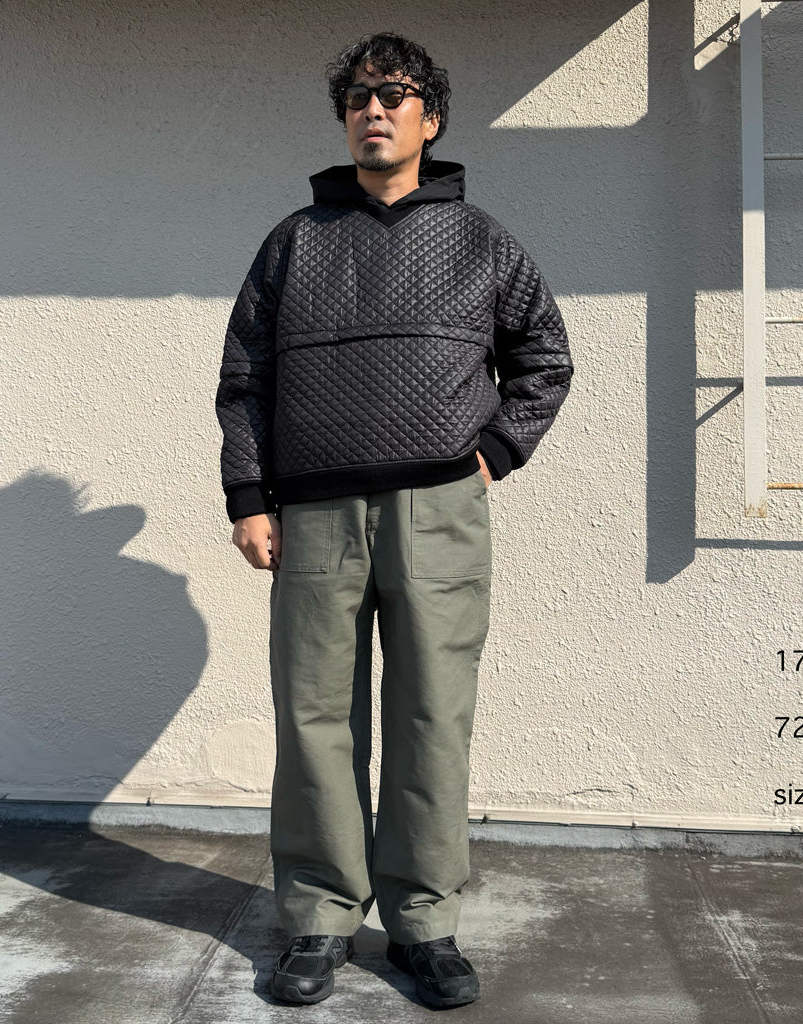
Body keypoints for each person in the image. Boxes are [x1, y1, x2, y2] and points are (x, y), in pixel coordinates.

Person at [215, 31, 573, 1009]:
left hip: (438, 511)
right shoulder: (293, 241)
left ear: (431, 118)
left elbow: (544, 357)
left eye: (395, 94)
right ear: (344, 119)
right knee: (314, 718)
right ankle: (319, 918)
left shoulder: (481, 240)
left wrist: (493, 453)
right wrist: (248, 496)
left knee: (432, 716)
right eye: (358, 98)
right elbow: (244, 379)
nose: (374, 110)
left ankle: (424, 923)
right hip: (314, 513)